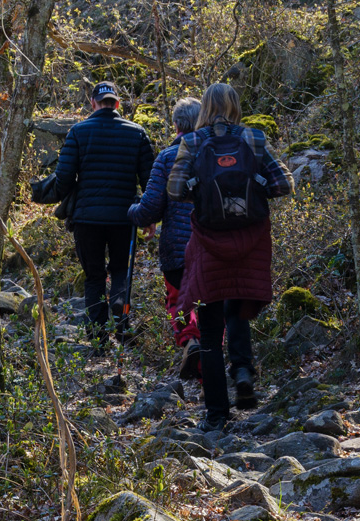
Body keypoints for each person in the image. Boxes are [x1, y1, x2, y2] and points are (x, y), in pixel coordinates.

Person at [165, 83, 291, 430]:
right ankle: (244, 373)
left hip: (208, 243)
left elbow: (174, 191)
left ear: (205, 107)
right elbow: (284, 185)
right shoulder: (253, 138)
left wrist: (202, 194)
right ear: (236, 106)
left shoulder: (192, 142)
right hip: (249, 242)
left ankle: (217, 414)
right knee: (238, 310)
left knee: (208, 331)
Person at [44, 82, 155, 350]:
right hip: (124, 218)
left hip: (87, 220)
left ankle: (98, 339)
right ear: (117, 103)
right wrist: (150, 217)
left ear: (92, 103)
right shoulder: (137, 133)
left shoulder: (78, 132)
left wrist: (44, 195)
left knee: (93, 276)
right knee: (120, 270)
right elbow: (150, 181)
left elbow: (64, 179)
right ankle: (120, 311)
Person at [131, 98, 206, 381]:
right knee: (210, 304)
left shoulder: (166, 156)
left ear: (175, 124)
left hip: (177, 248)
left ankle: (189, 342)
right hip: (213, 245)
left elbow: (151, 207)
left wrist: (134, 212)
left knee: (178, 300)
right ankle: (207, 367)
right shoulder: (213, 151)